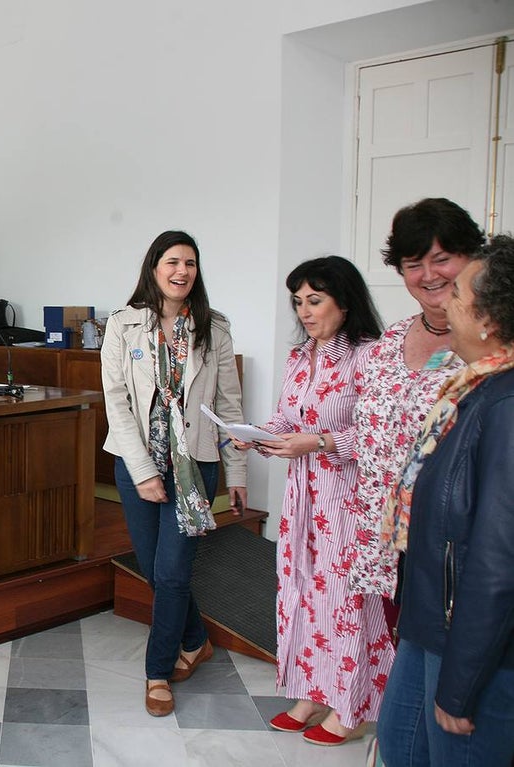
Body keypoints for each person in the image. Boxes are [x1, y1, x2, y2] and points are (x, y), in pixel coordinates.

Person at [237, 256, 390, 745]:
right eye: (298, 301)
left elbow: (378, 434)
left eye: (315, 300)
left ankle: (352, 706)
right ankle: (311, 693)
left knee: (344, 599)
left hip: (348, 501)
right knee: (301, 592)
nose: (304, 311)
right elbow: (288, 417)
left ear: (344, 302)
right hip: (303, 495)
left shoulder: (371, 355)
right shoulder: (301, 356)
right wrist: (256, 434)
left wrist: (321, 442)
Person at [377, 234, 514, 766]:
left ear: (490, 320)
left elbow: (499, 560)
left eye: (455, 290)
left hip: (473, 647)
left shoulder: (504, 405)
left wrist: (461, 682)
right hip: (431, 620)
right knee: (400, 746)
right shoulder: (471, 391)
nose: (441, 298)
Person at [100, 230, 247, 718]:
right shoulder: (123, 324)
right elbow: (116, 403)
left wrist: (238, 472)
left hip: (196, 466)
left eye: (190, 263)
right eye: (172, 261)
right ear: (154, 267)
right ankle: (196, 639)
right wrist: (143, 471)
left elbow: (229, 404)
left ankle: (157, 672)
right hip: (134, 464)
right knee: (155, 571)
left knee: (171, 571)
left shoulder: (215, 328)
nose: (182, 271)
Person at [348, 199, 482, 636]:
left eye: (441, 259)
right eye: (413, 264)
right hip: (384, 539)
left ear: (470, 258)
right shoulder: (391, 339)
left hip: (450, 541)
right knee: (401, 649)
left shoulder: (491, 347)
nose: (429, 275)